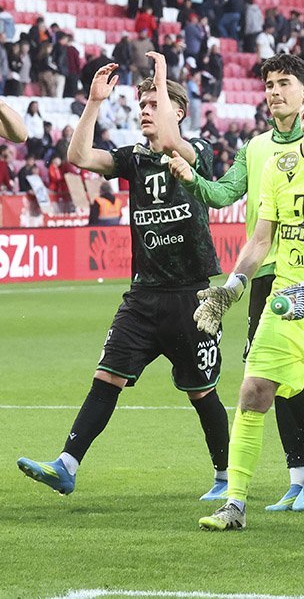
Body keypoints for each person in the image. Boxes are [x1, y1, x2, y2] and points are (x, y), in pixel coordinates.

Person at [17, 56, 229, 500]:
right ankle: (66, 465)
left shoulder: (199, 149)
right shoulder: (133, 158)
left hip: (192, 297)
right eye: (142, 105)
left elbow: (171, 141)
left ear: (178, 111)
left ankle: (226, 478)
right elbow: (78, 156)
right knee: (106, 377)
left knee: (201, 393)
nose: (145, 111)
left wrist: (162, 78)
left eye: (154, 104)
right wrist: (94, 103)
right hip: (143, 296)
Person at [188, 75, 304, 531]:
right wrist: (233, 287)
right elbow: (261, 240)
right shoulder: (278, 166)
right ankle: (235, 504)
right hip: (285, 303)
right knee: (253, 391)